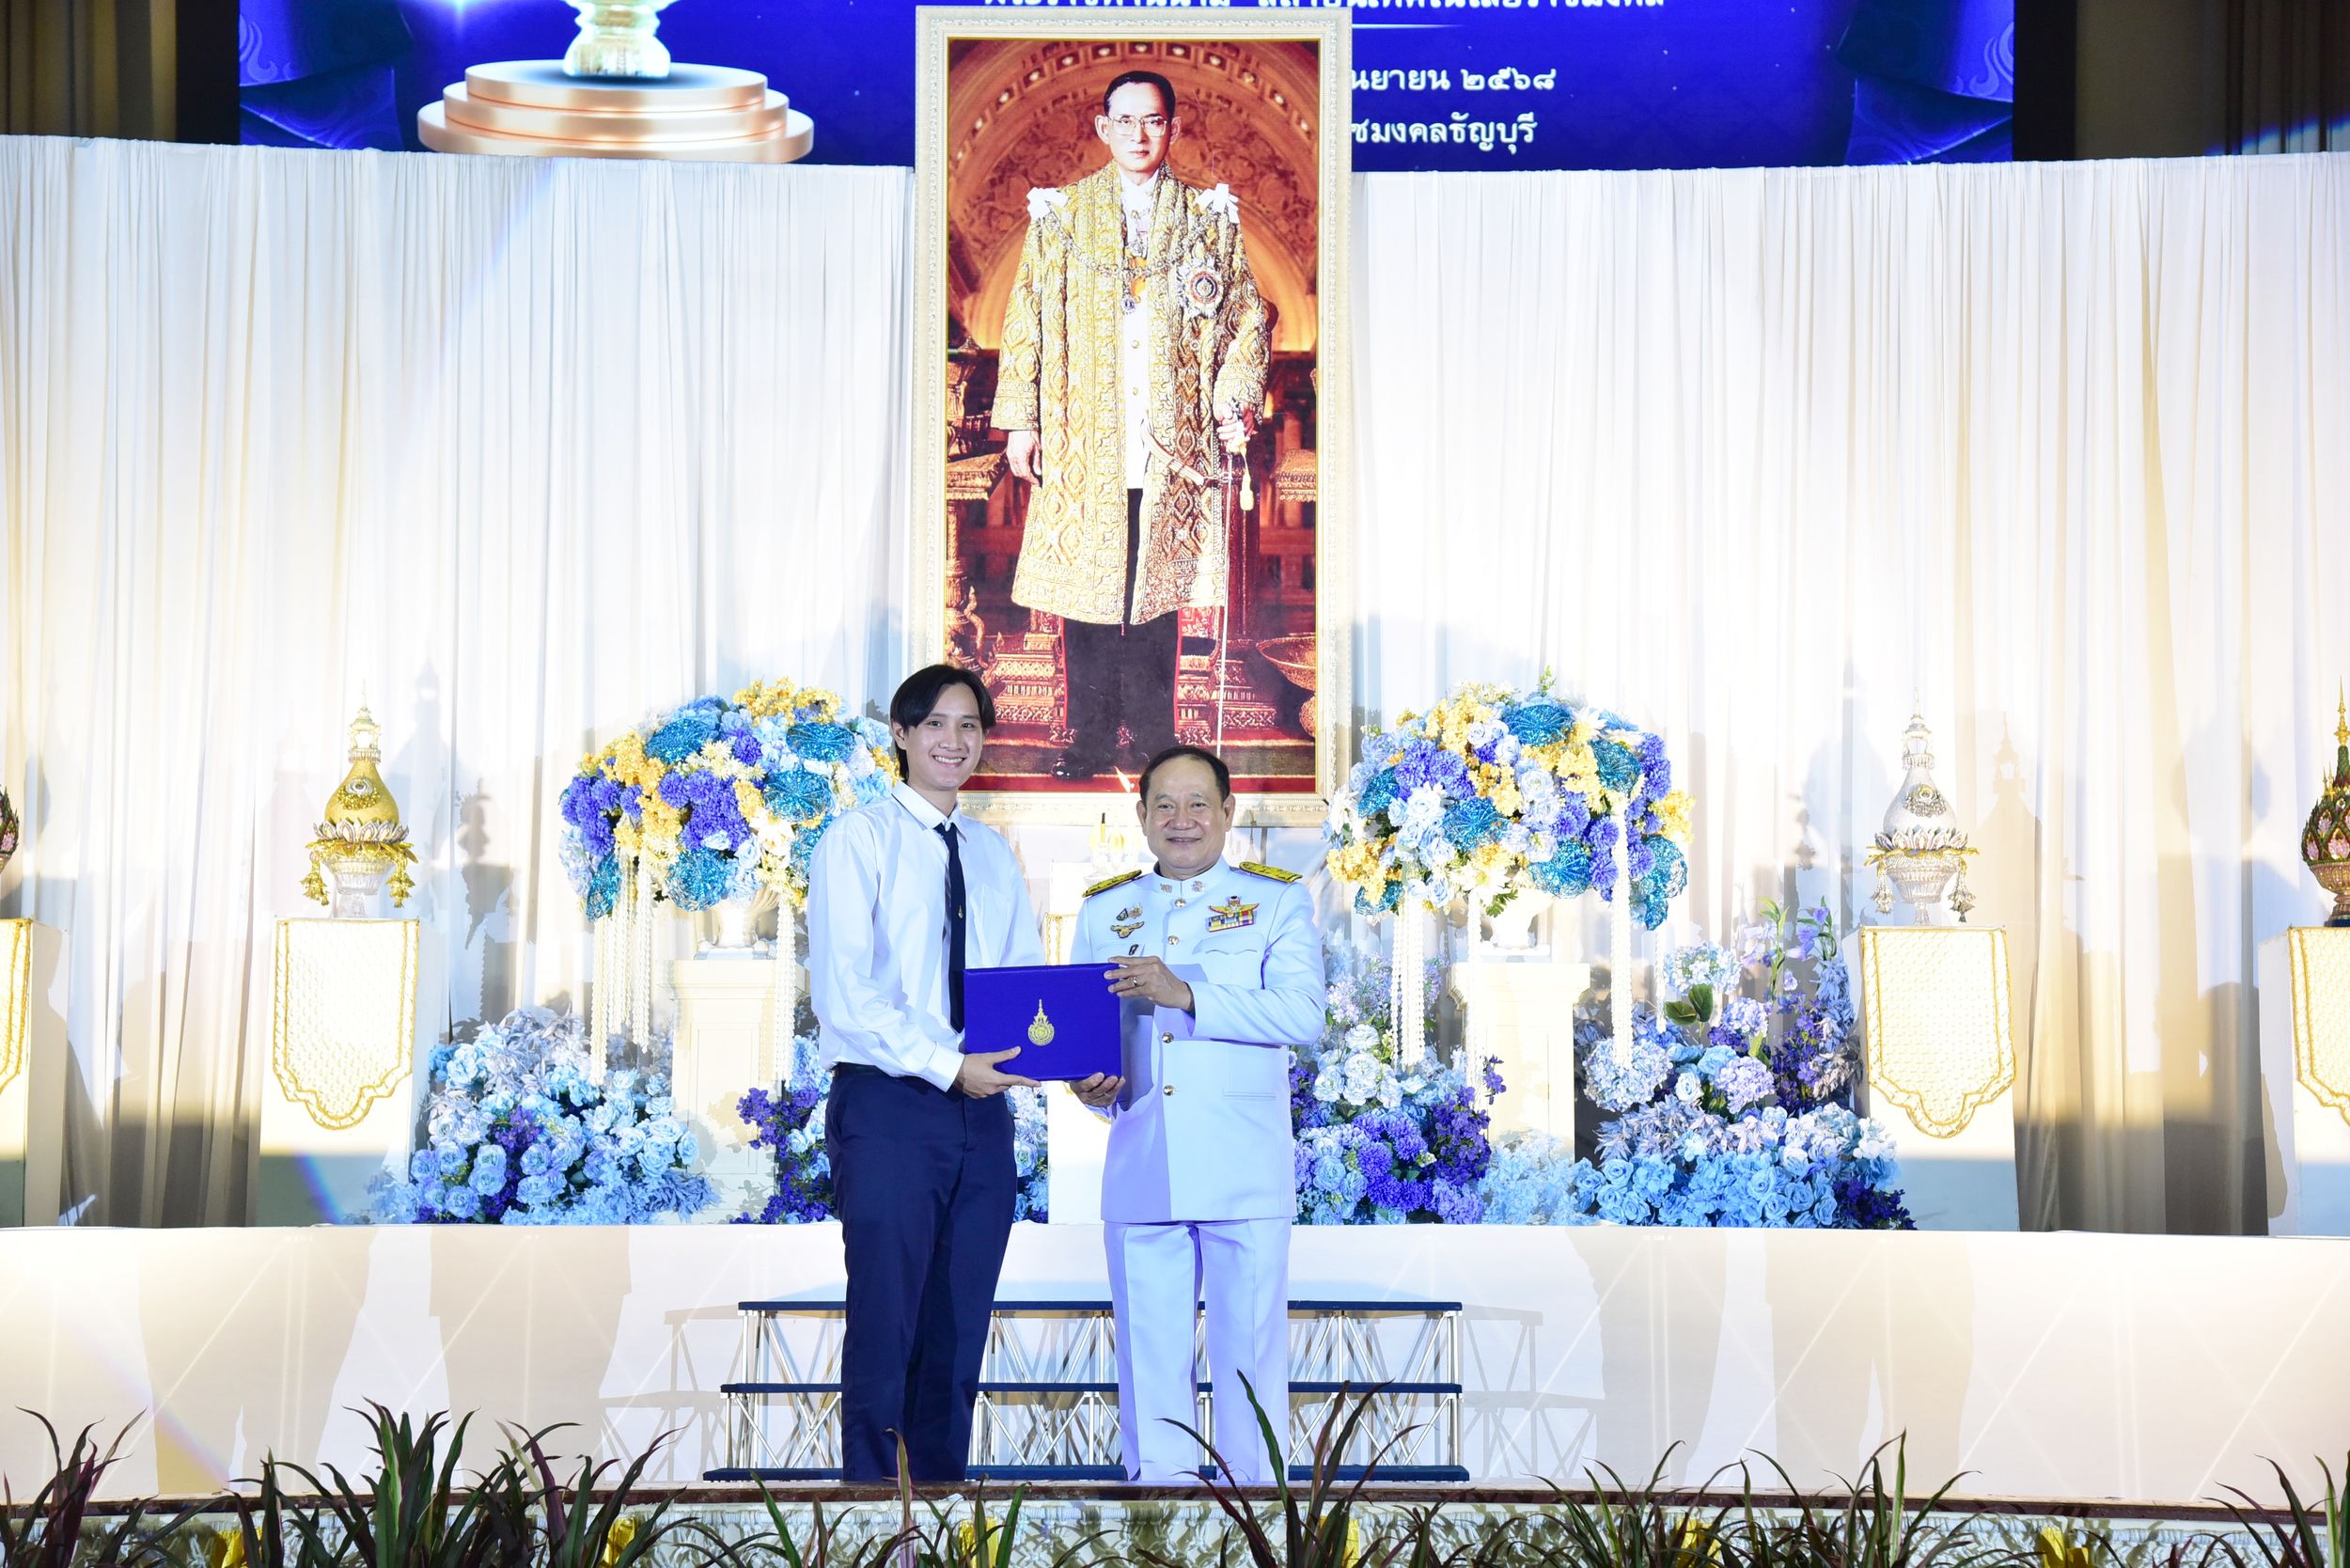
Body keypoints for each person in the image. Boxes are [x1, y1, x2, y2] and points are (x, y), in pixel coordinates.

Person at [992, 70, 1272, 781]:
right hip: (1084, 433)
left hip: (1172, 440)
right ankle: (1086, 736)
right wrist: (1021, 420)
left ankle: (1153, 737)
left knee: (1156, 594)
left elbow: (1245, 319)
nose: (1139, 134)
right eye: (1125, 120)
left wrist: (1233, 401)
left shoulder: (1208, 217)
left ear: (1172, 128)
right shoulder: (1060, 216)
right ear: (1102, 127)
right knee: (1089, 592)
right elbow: (1025, 320)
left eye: (1152, 121)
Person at [805, 665, 1044, 1483]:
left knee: (958, 1323)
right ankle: (873, 1509)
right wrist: (949, 1066)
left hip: (982, 1112)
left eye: (970, 725)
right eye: (936, 724)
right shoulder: (859, 839)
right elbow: (846, 993)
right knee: (887, 1318)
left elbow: (1022, 980)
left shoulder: (991, 853)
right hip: (891, 1103)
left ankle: (939, 1501)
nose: (954, 740)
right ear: (901, 736)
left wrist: (1069, 1062)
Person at [1068, 745, 1323, 1484]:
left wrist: (1186, 994)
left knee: (1249, 1363)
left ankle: (1257, 1520)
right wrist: (1089, 1085)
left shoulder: (1275, 900)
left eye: (1198, 805)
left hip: (1242, 1167)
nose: (1182, 820)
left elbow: (1303, 1014)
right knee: (1148, 1362)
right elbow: (1087, 1033)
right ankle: (1160, 1515)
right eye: (1165, 806)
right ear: (1142, 815)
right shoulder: (1105, 909)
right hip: (1142, 1160)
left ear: (1227, 813)